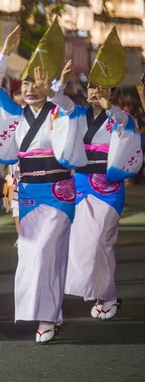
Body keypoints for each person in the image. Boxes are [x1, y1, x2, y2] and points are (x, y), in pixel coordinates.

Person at [0, 21, 87, 344]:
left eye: (35, 82)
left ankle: (47, 316)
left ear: (46, 85)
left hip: (58, 193)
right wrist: (5, 52)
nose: (29, 87)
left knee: (45, 251)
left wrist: (56, 91)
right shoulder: (16, 114)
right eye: (25, 82)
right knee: (32, 256)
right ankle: (48, 313)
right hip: (28, 194)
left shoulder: (60, 111)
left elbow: (71, 108)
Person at [65, 27, 143, 320]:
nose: (95, 92)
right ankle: (100, 294)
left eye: (101, 88)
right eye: (92, 88)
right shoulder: (80, 115)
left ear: (111, 91)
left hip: (109, 189)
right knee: (84, 244)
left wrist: (112, 109)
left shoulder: (121, 118)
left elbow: (124, 125)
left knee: (102, 241)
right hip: (81, 184)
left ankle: (108, 295)